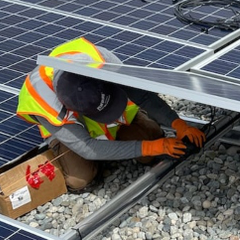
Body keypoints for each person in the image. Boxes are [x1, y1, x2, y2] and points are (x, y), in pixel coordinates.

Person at [16, 37, 206, 192]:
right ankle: (93, 159)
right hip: (72, 133)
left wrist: (177, 124)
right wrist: (150, 148)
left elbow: (141, 94)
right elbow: (87, 147)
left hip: (114, 120)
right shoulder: (41, 100)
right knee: (80, 180)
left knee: (151, 137)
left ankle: (117, 147)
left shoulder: (99, 60)